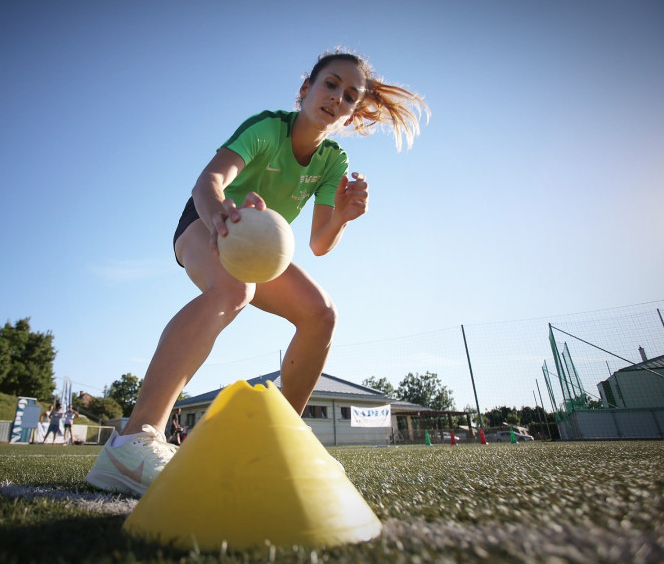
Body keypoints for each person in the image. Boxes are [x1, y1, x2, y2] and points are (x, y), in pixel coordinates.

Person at [86, 49, 428, 496]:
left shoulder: (333, 162)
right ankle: (132, 440)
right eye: (330, 85)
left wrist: (342, 217)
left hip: (264, 250)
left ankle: (278, 437)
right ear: (306, 89)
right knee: (234, 290)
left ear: (351, 112)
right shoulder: (267, 127)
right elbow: (207, 182)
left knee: (320, 314)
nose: (336, 98)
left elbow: (318, 244)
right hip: (205, 222)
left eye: (349, 96)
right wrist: (219, 219)